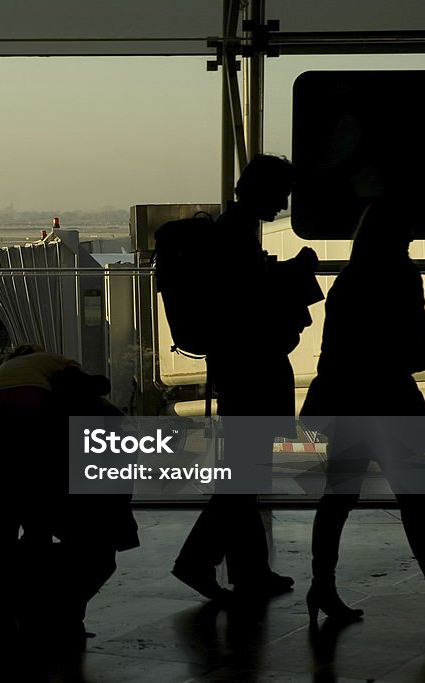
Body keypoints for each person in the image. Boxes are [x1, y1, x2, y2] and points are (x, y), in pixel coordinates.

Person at [302, 201, 425, 624]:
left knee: (338, 499)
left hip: (351, 402)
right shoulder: (403, 275)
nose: (412, 239)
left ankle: (322, 585)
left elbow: (338, 351)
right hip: (392, 400)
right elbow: (419, 347)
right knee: (416, 502)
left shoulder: (348, 281)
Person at [172, 154, 321, 601]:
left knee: (246, 474)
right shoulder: (236, 235)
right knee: (245, 477)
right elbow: (250, 300)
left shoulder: (231, 230)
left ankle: (249, 569)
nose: (283, 203)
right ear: (261, 191)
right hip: (251, 367)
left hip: (237, 365)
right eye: (281, 194)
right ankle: (198, 561)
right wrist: (296, 271)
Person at [0, 344, 139, 644]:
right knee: (38, 522)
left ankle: (0, 615)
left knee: (2, 522)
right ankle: (40, 614)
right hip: (31, 416)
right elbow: (91, 389)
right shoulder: (57, 362)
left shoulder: (1, 374)